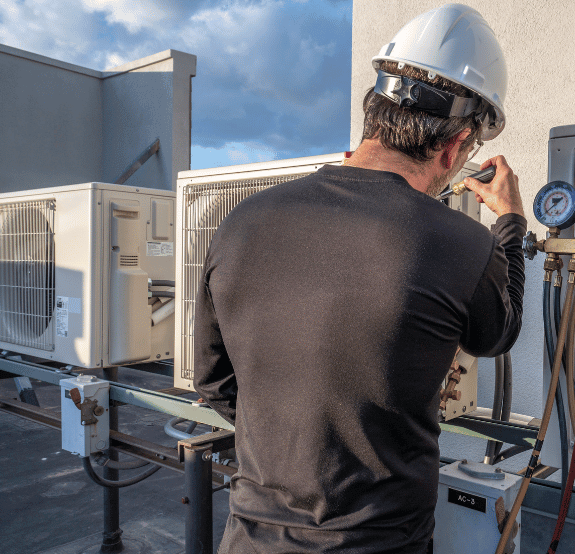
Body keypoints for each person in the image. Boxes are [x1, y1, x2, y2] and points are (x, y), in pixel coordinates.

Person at [194, 4, 526, 553]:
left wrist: (289, 442)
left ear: (374, 112)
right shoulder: (460, 243)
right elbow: (498, 333)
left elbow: (214, 380)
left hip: (249, 538)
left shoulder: (242, 221)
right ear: (454, 146)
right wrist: (509, 223)